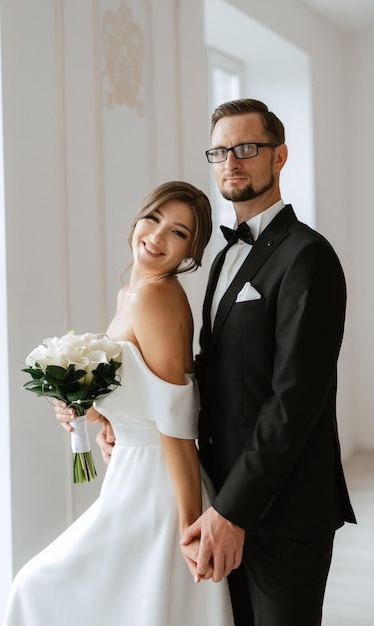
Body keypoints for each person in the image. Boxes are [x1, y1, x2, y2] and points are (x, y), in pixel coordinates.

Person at [3, 181, 235, 626]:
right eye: (155, 219)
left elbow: (175, 419)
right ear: (137, 220)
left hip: (157, 487)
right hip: (131, 473)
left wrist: (189, 524)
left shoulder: (155, 297)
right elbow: (139, 393)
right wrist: (86, 408)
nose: (158, 236)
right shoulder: (130, 294)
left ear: (190, 253)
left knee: (37, 586)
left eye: (179, 233)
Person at [178, 99, 357, 626]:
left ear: (279, 157)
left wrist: (234, 510)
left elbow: (294, 401)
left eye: (246, 148)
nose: (231, 161)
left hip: (284, 509)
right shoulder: (221, 258)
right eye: (219, 151)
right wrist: (117, 408)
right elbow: (216, 372)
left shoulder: (308, 256)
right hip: (219, 499)